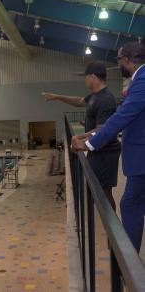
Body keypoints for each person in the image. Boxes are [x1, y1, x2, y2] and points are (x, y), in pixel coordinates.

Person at [72, 42, 145, 252]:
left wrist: (89, 144)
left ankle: (127, 262)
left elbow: (122, 117)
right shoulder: (137, 80)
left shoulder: (142, 80)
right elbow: (119, 117)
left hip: (141, 158)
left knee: (129, 204)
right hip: (138, 157)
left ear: (128, 61)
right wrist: (88, 136)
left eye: (120, 60)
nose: (119, 64)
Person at [42, 62, 121, 210]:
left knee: (104, 191)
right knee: (96, 188)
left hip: (106, 152)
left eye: (86, 77)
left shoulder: (105, 99)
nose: (85, 80)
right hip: (97, 149)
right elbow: (79, 101)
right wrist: (57, 97)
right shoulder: (95, 96)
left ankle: (111, 227)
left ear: (93, 77)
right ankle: (104, 221)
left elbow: (102, 130)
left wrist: (81, 139)